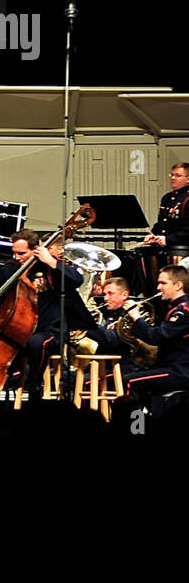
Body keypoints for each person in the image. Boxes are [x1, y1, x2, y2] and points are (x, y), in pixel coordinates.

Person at [0, 228, 81, 397]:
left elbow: (76, 279)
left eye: (21, 253)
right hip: (22, 329)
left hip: (51, 328)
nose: (16, 257)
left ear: (35, 250)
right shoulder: (13, 268)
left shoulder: (50, 267)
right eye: (14, 253)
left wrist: (51, 262)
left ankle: (35, 384)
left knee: (36, 343)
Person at [123, 265, 189, 404]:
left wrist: (136, 317)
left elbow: (157, 337)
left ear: (178, 285)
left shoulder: (183, 311)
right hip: (169, 367)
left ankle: (135, 425)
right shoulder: (175, 308)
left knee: (130, 382)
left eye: (163, 283)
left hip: (180, 371)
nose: (158, 288)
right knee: (131, 377)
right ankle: (144, 421)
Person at [143, 163, 189, 250]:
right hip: (166, 249)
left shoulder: (187, 198)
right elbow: (162, 222)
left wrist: (168, 239)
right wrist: (153, 235)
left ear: (188, 179)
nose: (173, 178)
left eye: (178, 175)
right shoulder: (167, 197)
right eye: (171, 175)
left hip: (183, 250)